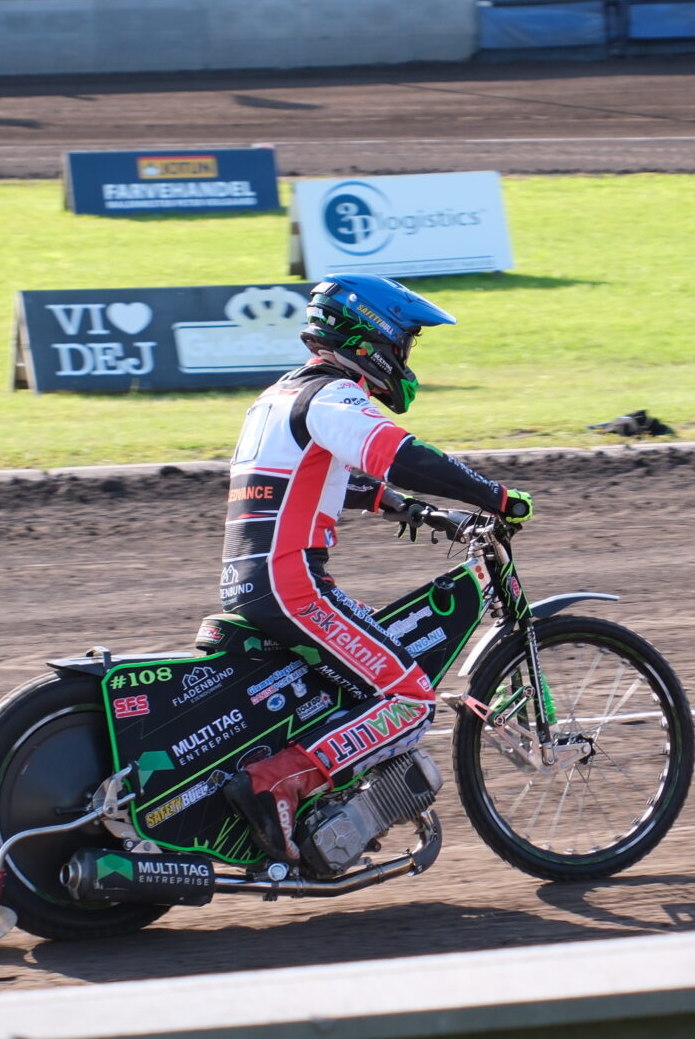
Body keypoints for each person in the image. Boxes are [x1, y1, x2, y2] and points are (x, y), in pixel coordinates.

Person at [218, 277, 533, 862]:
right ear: (372, 336)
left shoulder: (280, 397)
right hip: (293, 583)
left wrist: (405, 508)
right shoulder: (335, 395)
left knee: (351, 684)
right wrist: (494, 496)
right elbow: (400, 456)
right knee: (410, 696)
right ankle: (278, 785)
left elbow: (325, 479)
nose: (408, 356)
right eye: (407, 340)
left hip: (253, 579)